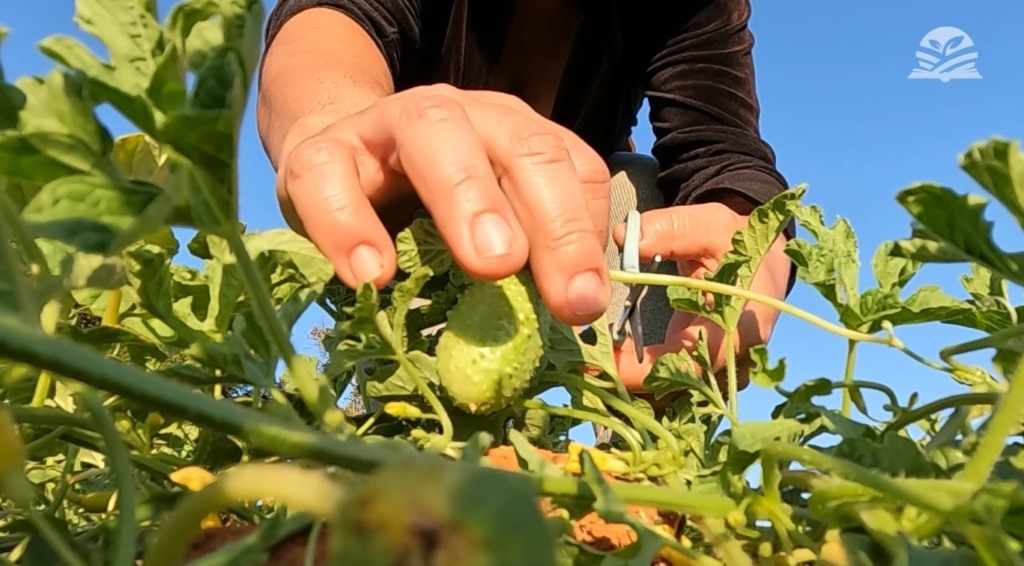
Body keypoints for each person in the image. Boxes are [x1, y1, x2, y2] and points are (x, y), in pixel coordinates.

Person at [255, 0, 795, 394]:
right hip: (421, 221)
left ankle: (653, 471)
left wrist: (751, 243)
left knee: (638, 189)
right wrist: (329, 125)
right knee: (419, 426)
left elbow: (724, 150)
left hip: (582, 227)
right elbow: (328, 26)